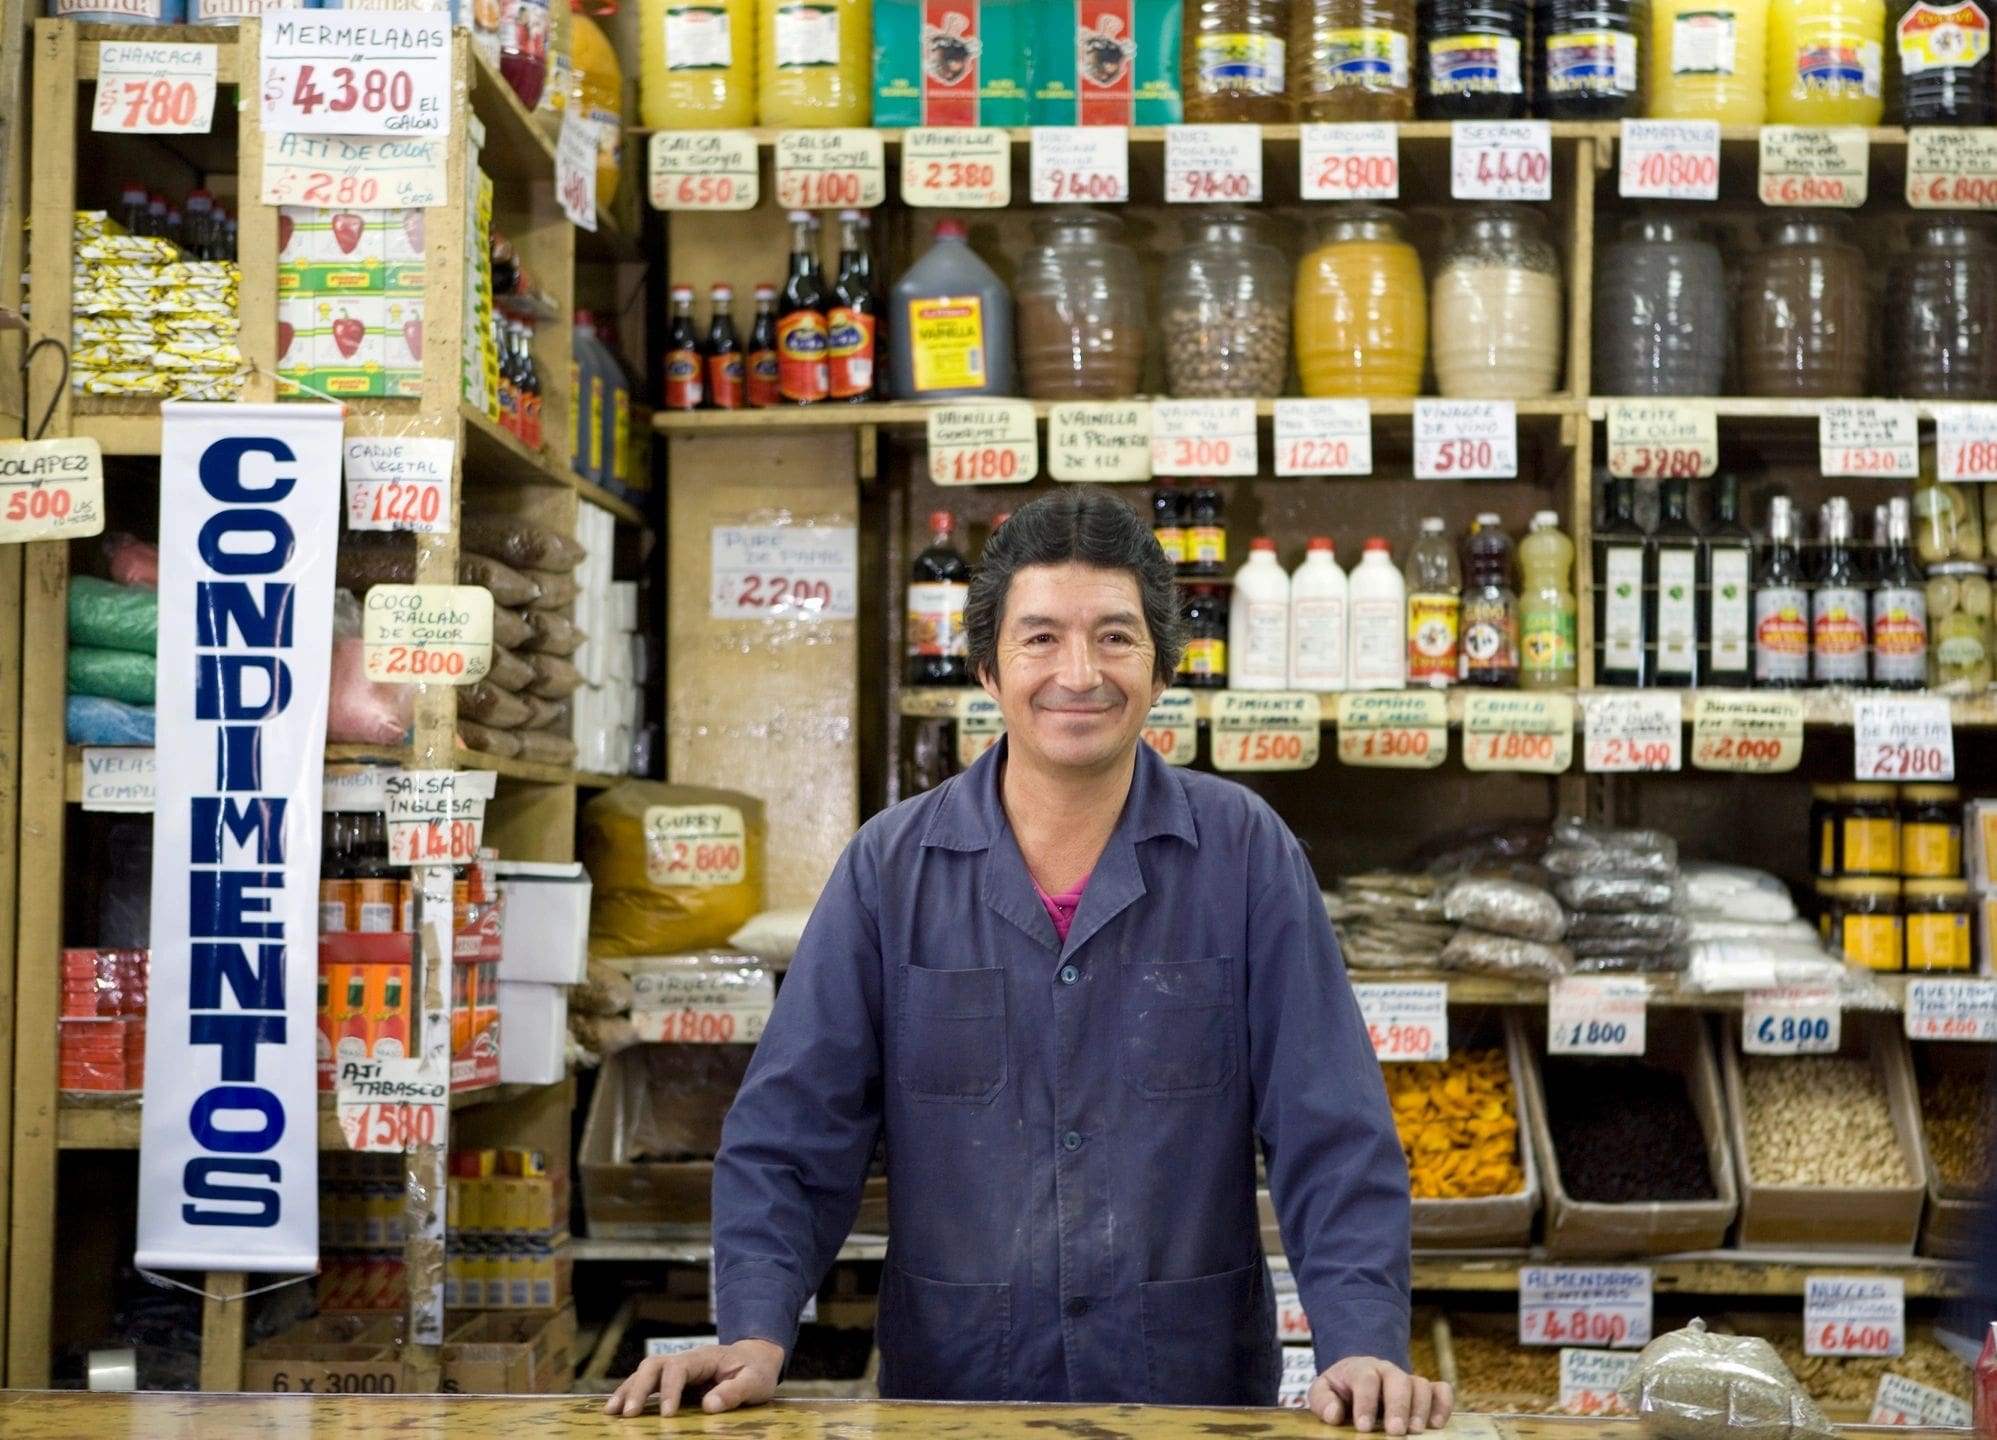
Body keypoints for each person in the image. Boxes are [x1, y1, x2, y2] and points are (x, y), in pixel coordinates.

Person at [609, 490, 1449, 1431]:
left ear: (1164, 668)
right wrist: (755, 1329)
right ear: (987, 667)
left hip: (1189, 1392)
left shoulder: (1243, 852)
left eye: (1116, 638)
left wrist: (1361, 1339)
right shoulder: (892, 868)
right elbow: (793, 1134)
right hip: (955, 1390)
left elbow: (1330, 1128)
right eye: (1040, 637)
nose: (1079, 673)